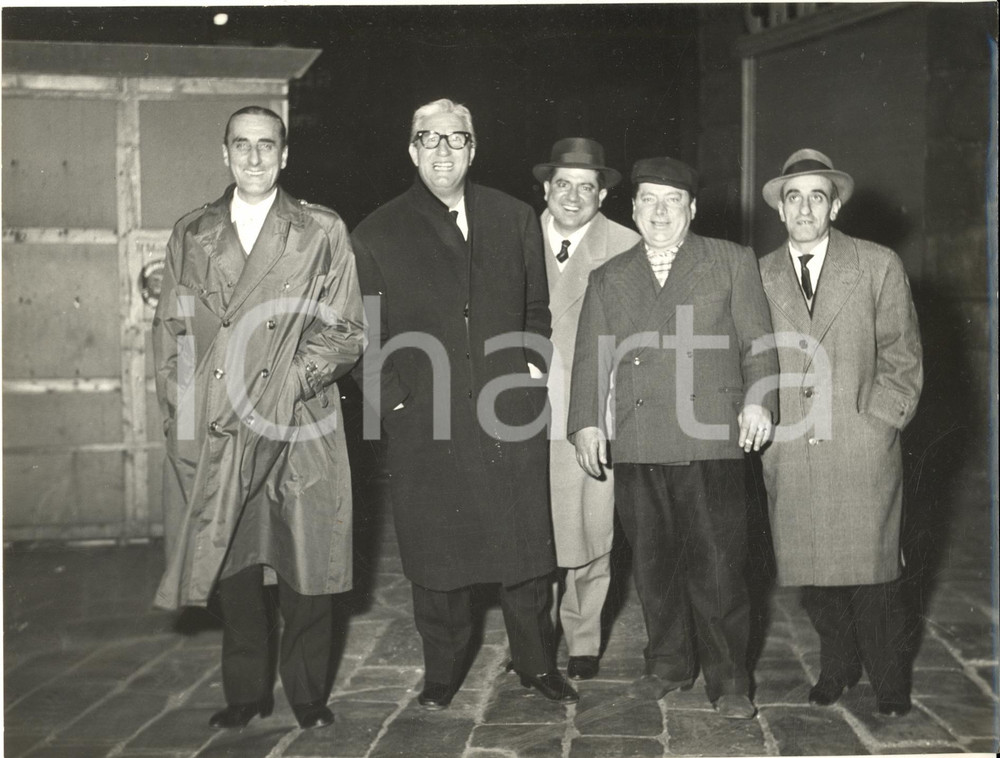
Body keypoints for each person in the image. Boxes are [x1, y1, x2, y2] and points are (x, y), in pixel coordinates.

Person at [350, 98, 578, 709]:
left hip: (510, 411)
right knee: (438, 557)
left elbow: (536, 309)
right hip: (427, 420)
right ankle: (443, 671)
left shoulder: (513, 217)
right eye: (430, 138)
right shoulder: (375, 233)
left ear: (473, 149)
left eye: (456, 139)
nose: (443, 150)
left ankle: (536, 664)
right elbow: (364, 337)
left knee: (526, 551)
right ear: (412, 150)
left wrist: (530, 371)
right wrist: (396, 408)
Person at [152, 106, 365, 730]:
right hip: (219, 422)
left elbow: (347, 330)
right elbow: (173, 337)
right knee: (235, 562)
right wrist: (182, 418)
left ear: (284, 155)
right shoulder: (192, 233)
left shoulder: (321, 229)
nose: (253, 157)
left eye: (265, 146)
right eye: (241, 145)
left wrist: (287, 385)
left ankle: (307, 694)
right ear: (224, 153)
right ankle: (246, 692)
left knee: (308, 562)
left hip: (299, 419)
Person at [568, 156, 778, 719]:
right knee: (653, 562)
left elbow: (759, 343)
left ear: (692, 208)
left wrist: (759, 401)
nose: (659, 212)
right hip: (640, 439)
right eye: (648, 200)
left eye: (672, 201)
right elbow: (591, 358)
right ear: (633, 208)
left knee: (719, 564)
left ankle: (729, 679)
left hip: (710, 435)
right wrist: (586, 422)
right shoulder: (608, 276)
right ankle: (666, 664)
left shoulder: (730, 260)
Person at [758, 149, 923, 717]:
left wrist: (880, 422)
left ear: (834, 207)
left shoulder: (877, 265)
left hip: (860, 444)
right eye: (794, 197)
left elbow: (902, 355)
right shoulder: (760, 274)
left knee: (874, 574)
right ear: (780, 209)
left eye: (817, 197)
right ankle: (837, 665)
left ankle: (888, 679)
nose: (804, 208)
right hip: (792, 446)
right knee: (814, 577)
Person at [531, 138, 640, 681]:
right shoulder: (513, 237)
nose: (573, 197)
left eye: (586, 187)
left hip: (590, 409)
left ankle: (583, 640)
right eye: (563, 185)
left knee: (589, 531)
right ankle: (533, 638)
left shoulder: (626, 245)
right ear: (545, 189)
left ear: (603, 195)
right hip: (517, 410)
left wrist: (603, 412)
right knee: (531, 533)